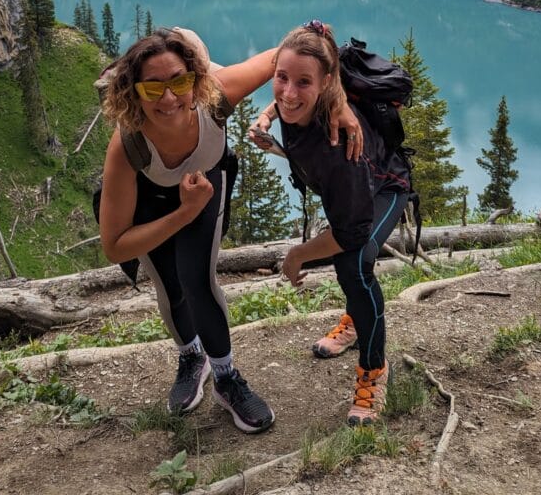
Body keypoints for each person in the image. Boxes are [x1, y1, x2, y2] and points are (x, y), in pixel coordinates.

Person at [98, 26, 361, 434]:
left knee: (197, 279)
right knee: (168, 284)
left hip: (207, 185)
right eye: (152, 89)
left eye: (179, 82)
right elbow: (115, 247)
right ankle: (192, 358)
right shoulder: (127, 145)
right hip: (152, 203)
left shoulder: (217, 95)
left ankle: (225, 377)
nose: (169, 99)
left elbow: (296, 50)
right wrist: (182, 214)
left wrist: (337, 99)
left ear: (196, 79)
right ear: (133, 91)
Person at [251, 20, 409, 427]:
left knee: (354, 264)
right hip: (358, 189)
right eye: (280, 78)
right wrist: (268, 116)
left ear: (325, 84)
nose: (288, 93)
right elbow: (290, 89)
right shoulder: (297, 100)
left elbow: (350, 233)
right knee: (351, 263)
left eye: (303, 83)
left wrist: (297, 256)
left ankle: (374, 369)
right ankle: (358, 319)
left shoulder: (340, 145)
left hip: (386, 187)